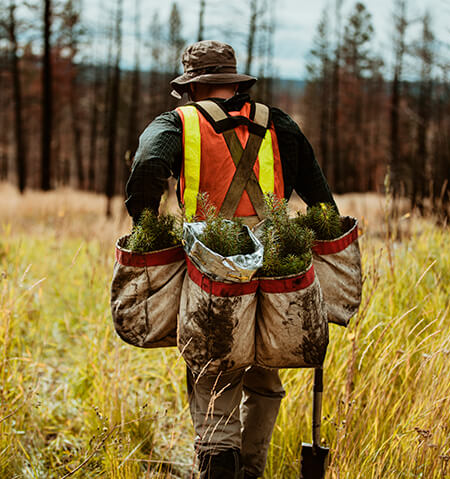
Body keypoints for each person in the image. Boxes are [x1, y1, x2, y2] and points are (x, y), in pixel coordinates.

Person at [125, 40, 336, 479]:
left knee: (214, 371)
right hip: (277, 269)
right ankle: (250, 471)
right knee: (264, 371)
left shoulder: (178, 122)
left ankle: (220, 465)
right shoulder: (279, 123)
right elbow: (321, 202)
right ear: (234, 83)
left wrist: (148, 225)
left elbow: (146, 166)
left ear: (192, 87)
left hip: (213, 268)